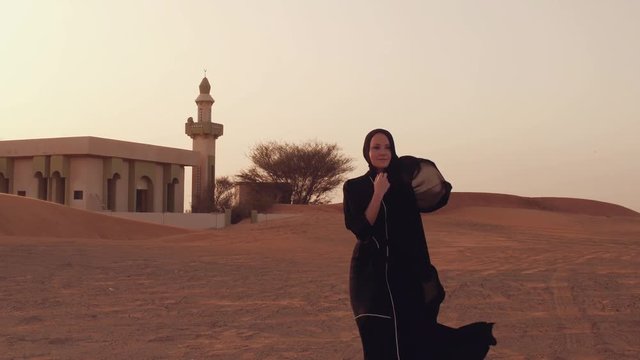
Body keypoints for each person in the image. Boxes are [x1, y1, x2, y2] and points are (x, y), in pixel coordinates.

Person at [343, 128, 496, 359]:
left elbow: (414, 234)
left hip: (402, 274)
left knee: (411, 339)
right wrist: (377, 193)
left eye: (388, 147)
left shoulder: (403, 188)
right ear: (367, 151)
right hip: (368, 276)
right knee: (375, 336)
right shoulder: (354, 187)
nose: (382, 152)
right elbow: (362, 230)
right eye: (376, 147)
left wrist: (423, 274)